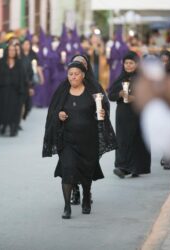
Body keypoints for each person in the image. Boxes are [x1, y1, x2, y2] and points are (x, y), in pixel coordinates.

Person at [43, 60, 117, 219]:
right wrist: (59, 115)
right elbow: (54, 113)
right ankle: (67, 206)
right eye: (70, 74)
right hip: (68, 140)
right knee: (67, 169)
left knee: (86, 172)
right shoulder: (63, 92)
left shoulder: (93, 92)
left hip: (88, 139)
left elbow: (100, 114)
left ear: (83, 75)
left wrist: (101, 115)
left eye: (76, 74)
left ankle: (86, 198)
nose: (73, 77)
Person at [68, 54, 110, 205]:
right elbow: (57, 106)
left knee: (86, 165)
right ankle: (74, 190)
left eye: (82, 63)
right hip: (70, 133)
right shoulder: (67, 85)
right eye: (76, 63)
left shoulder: (94, 85)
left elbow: (104, 104)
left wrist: (102, 112)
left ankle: (87, 191)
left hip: (88, 133)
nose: (79, 66)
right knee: (70, 164)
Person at [108, 51, 151, 178]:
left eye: (131, 63)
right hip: (123, 114)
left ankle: (137, 167)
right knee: (123, 139)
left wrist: (135, 98)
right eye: (126, 63)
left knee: (137, 139)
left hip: (138, 113)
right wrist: (119, 94)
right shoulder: (120, 77)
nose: (128, 65)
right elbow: (111, 95)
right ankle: (123, 167)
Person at [0, 44, 25, 136]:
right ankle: (2, 127)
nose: (12, 52)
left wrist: (22, 90)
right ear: (6, 51)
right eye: (10, 50)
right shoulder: (0, 62)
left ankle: (13, 128)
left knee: (14, 109)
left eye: (13, 50)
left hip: (15, 91)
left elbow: (22, 77)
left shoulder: (19, 63)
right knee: (2, 109)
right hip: (3, 90)